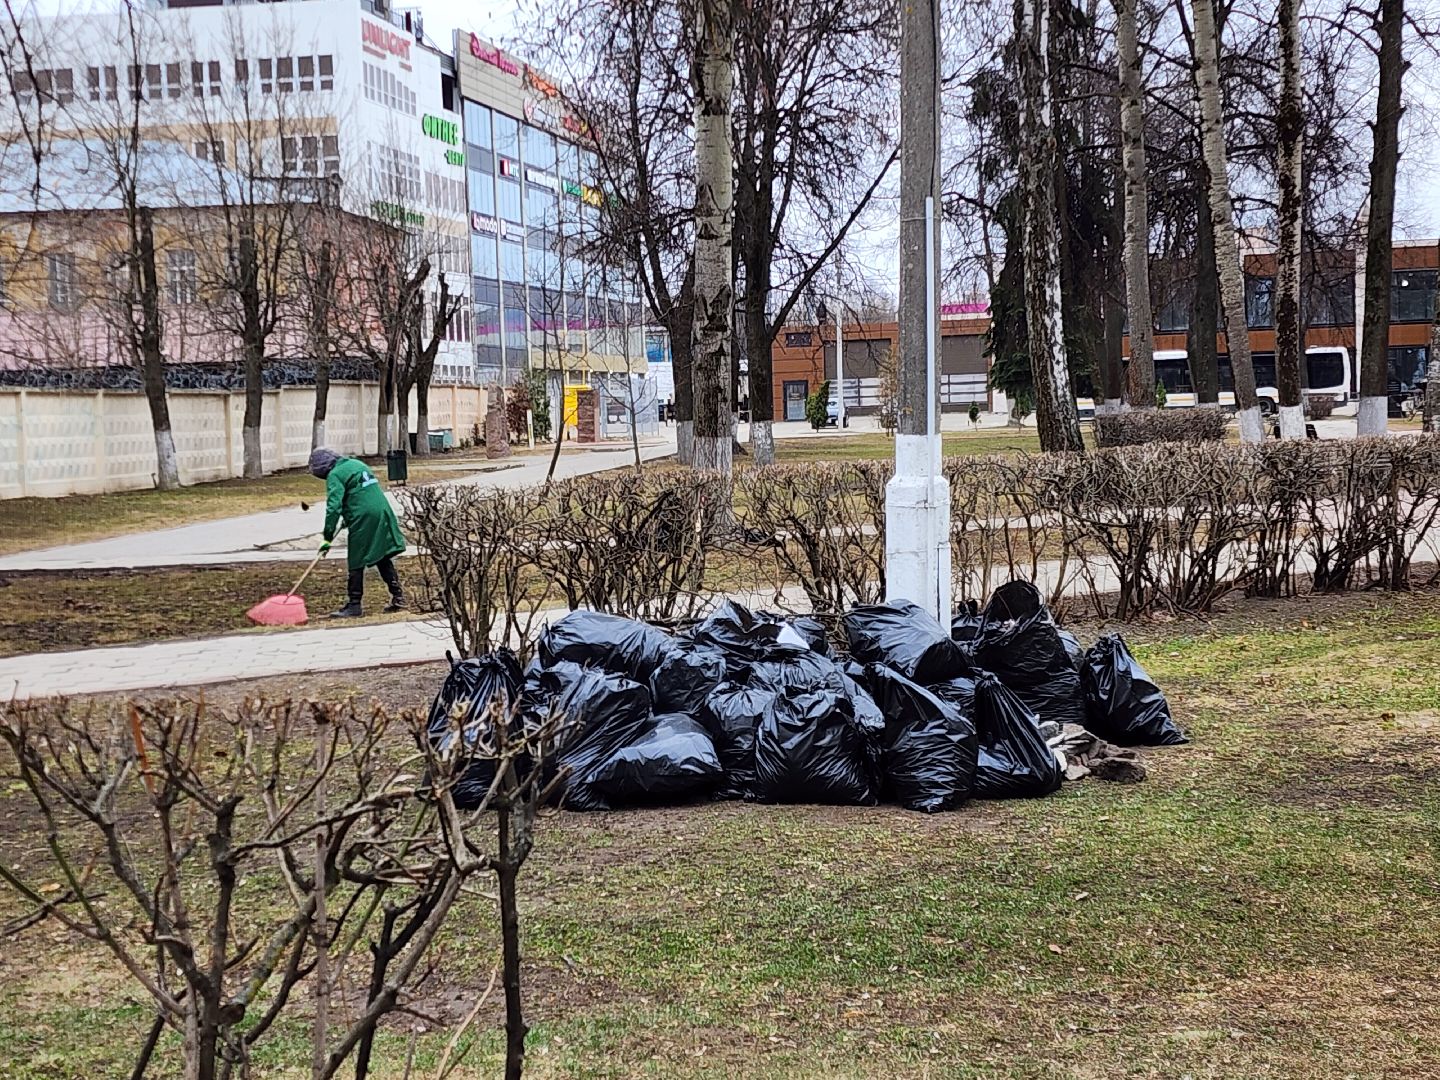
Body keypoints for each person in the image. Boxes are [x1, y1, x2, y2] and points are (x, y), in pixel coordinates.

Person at [309, 447, 406, 618]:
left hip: (364, 517)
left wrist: (327, 538)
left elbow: (333, 507)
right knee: (382, 555)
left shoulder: (335, 475)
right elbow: (359, 493)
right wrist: (349, 515)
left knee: (356, 559)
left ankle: (354, 604)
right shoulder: (356, 464)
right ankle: (398, 596)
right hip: (382, 511)